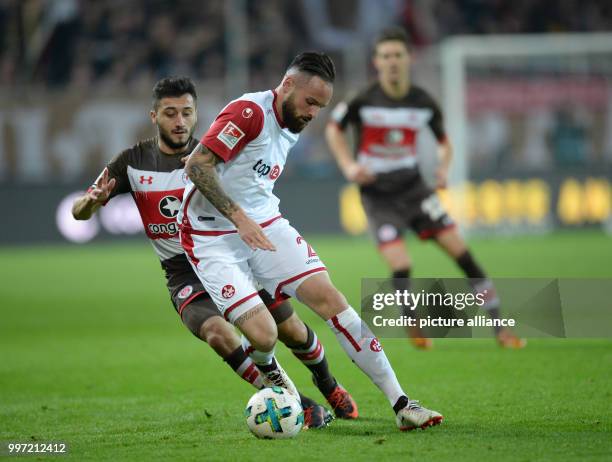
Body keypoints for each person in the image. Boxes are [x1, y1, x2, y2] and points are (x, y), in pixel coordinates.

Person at [71, 76, 358, 429]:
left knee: (292, 331)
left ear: (196, 116)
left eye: (186, 113)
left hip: (231, 257)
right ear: (153, 116)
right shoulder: (131, 161)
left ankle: (328, 384)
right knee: (219, 335)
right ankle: (292, 400)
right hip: (183, 273)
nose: (179, 121)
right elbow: (78, 213)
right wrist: (89, 203)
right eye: (170, 113)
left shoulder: (213, 155)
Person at [179, 53, 442, 431]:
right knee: (265, 335)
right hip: (210, 235)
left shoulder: (291, 125)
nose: (313, 113)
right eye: (310, 102)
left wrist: (251, 220)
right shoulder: (249, 114)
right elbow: (197, 165)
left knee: (332, 300)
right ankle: (282, 389)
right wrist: (238, 219)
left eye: (321, 106)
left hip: (264, 222)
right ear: (287, 86)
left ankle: (402, 404)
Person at [325, 27, 525, 349]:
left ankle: (500, 327)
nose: (392, 62)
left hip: (415, 189)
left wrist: (443, 169)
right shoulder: (362, 99)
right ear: (376, 62)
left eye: (397, 55)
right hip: (378, 195)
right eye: (386, 56)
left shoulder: (423, 102)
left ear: (409, 58)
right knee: (400, 263)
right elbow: (334, 130)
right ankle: (412, 323)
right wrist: (349, 166)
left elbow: (445, 143)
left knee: (463, 255)